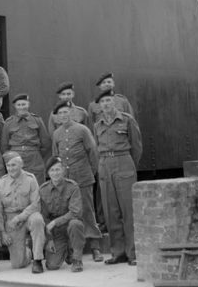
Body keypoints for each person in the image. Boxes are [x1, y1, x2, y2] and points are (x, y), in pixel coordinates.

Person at [94, 90, 142, 266]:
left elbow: (136, 146)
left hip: (123, 161)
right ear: (99, 106)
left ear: (113, 102)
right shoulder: (97, 124)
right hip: (105, 163)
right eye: (102, 102)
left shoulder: (127, 119)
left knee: (128, 210)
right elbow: (96, 146)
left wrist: (129, 165)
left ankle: (132, 253)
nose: (106, 104)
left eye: (108, 100)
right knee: (110, 210)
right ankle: (118, 252)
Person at [51, 101, 104, 262]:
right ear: (57, 117)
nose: (63, 115)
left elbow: (93, 152)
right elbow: (56, 158)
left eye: (66, 112)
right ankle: (71, 248)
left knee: (88, 211)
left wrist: (91, 172)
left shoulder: (82, 130)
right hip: (66, 180)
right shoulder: (57, 134)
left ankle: (95, 247)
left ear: (71, 113)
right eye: (60, 113)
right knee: (67, 213)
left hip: (83, 176)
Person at [0, 151, 45, 273]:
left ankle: (37, 260)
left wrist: (19, 218)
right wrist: (3, 232)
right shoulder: (1, 182)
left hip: (28, 214)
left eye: (14, 165)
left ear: (21, 164)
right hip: (10, 219)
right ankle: (27, 252)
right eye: (8, 165)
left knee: (38, 220)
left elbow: (35, 204)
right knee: (17, 264)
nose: (11, 168)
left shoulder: (30, 179)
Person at [40, 156, 85, 272]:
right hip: (56, 232)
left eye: (58, 169)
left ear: (63, 170)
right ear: (48, 173)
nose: (55, 173)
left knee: (76, 224)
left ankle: (77, 259)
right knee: (52, 266)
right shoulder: (43, 190)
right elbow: (44, 217)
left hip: (70, 226)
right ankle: (67, 251)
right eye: (52, 170)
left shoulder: (72, 187)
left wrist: (55, 222)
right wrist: (49, 239)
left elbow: (75, 212)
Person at [0, 93, 51, 184]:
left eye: (24, 104)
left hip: (34, 157)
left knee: (37, 183)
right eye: (19, 105)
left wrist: (36, 153)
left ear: (28, 104)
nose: (21, 107)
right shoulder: (9, 122)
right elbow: (4, 145)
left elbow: (45, 142)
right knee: (17, 184)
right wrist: (12, 157)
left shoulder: (37, 120)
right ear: (14, 106)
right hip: (16, 156)